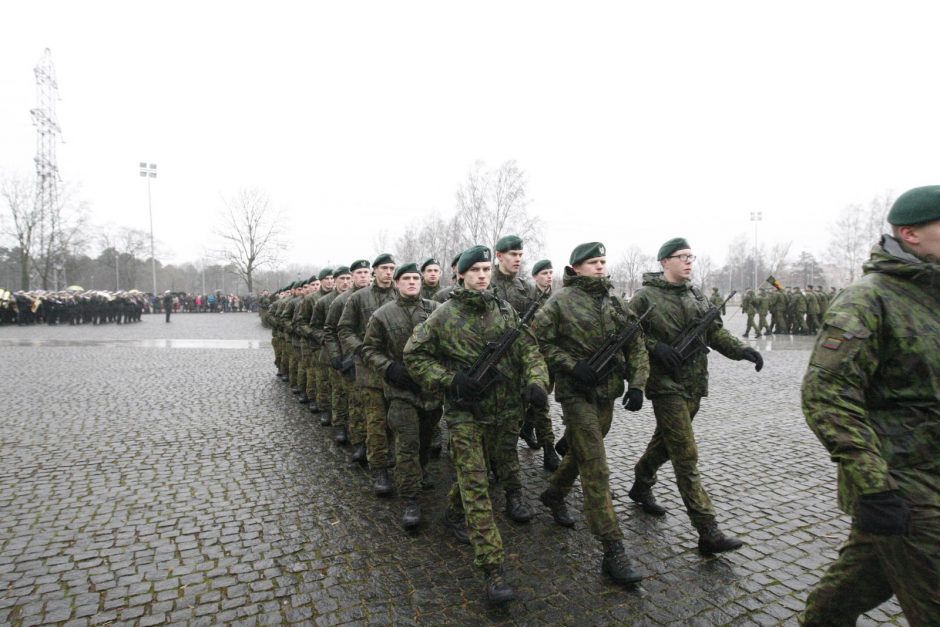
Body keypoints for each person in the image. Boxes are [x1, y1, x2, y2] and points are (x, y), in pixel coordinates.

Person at [801, 185, 940, 626]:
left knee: (848, 591)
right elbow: (827, 394)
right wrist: (875, 487)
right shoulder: (870, 299)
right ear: (910, 233)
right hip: (902, 480)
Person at [404, 245, 549, 605]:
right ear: (462, 275)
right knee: (476, 483)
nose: (484, 275)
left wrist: (536, 382)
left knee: (479, 477)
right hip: (464, 414)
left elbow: (530, 350)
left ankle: (454, 515)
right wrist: (450, 380)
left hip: (503, 414)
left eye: (487, 269)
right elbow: (413, 354)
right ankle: (493, 570)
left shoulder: (505, 309)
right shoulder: (444, 315)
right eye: (476, 270)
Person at [628, 237, 763, 554]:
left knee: (667, 441)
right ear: (664, 262)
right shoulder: (645, 298)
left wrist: (742, 350)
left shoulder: (696, 294)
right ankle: (708, 531)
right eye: (682, 257)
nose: (689, 261)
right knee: (686, 456)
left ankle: (641, 480)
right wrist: (654, 347)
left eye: (692, 256)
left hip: (694, 385)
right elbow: (628, 335)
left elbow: (714, 331)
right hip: (665, 387)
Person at [531, 242, 649, 586]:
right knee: (596, 467)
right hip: (576, 394)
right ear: (576, 267)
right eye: (593, 262)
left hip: (607, 394)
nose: (600, 267)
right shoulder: (560, 302)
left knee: (582, 454)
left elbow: (635, 343)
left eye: (603, 261)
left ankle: (553, 494)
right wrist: (571, 365)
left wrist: (638, 384)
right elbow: (535, 342)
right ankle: (613, 550)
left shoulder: (612, 301)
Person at [362, 263, 442, 530]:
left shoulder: (435, 310)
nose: (412, 282)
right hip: (400, 391)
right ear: (397, 283)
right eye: (405, 278)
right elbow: (369, 349)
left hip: (431, 390)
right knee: (406, 444)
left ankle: (419, 473)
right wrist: (389, 368)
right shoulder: (383, 315)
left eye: (415, 278)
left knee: (424, 441)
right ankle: (411, 498)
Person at [338, 253, 398, 495]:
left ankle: (393, 457)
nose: (389, 273)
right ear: (375, 271)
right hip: (369, 370)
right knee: (375, 421)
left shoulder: (400, 295)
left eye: (392, 268)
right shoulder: (358, 298)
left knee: (396, 421)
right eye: (384, 268)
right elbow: (344, 329)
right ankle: (380, 469)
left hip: (395, 369)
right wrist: (360, 349)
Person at [520, 258, 560, 470]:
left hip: (550, 358)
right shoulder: (527, 298)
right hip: (530, 358)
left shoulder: (555, 299)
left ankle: (527, 427)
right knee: (541, 404)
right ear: (535, 277)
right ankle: (549, 448)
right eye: (544, 273)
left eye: (550, 272)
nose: (548, 276)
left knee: (538, 400)